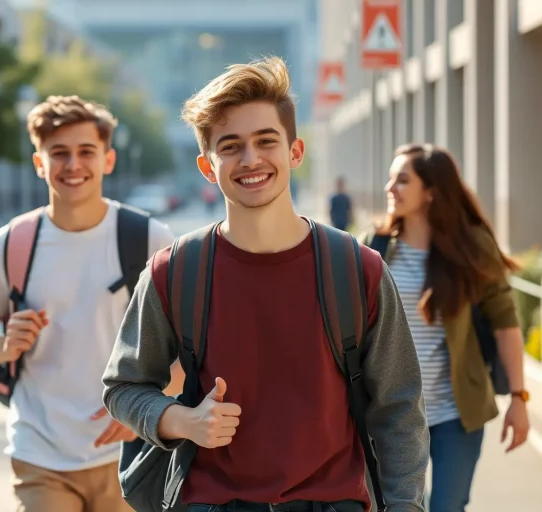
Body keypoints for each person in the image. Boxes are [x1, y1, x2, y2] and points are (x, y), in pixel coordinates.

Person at [101, 57, 429, 512]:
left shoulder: (358, 269)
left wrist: (406, 506)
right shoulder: (173, 271)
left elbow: (399, 410)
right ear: (206, 166)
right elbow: (123, 388)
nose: (250, 159)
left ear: (295, 151)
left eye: (266, 141)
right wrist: (181, 420)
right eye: (230, 146)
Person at [0, 95, 178, 512]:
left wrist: (147, 411)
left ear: (107, 160)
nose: (73, 165)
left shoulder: (149, 240)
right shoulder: (10, 245)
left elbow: (187, 351)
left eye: (85, 152)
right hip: (40, 450)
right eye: (58, 154)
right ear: (39, 163)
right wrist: (3, 346)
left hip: (130, 455)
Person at [363, 144, 530, 512]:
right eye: (391, 178)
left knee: (447, 507)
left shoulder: (471, 248)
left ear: (431, 191)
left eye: (403, 180)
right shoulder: (374, 248)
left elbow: (505, 325)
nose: (390, 187)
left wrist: (519, 399)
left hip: (456, 412)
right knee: (399, 506)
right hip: (393, 413)